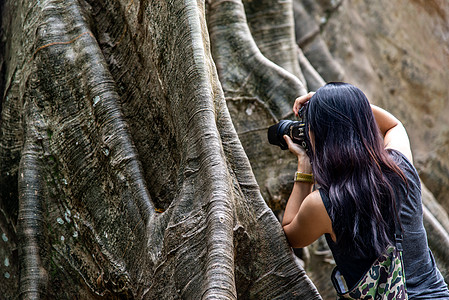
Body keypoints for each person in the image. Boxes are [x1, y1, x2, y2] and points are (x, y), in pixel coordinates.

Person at [281, 82, 449, 298]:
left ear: (318, 135)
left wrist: (305, 168)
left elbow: (290, 235)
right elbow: (393, 125)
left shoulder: (323, 204)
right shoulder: (401, 168)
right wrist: (347, 105)